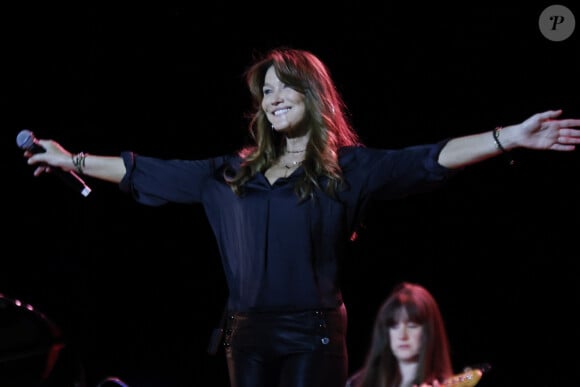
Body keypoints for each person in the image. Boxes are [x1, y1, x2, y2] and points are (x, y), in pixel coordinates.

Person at [20, 46, 580, 387]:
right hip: (247, 337)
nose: (273, 97)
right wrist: (70, 159)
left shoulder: (349, 171)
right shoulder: (228, 174)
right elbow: (147, 171)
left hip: (313, 336)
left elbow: (429, 158)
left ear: (314, 96)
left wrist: (510, 137)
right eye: (266, 91)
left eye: (285, 86)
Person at [345, 282, 484, 387]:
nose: (402, 335)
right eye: (394, 326)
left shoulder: (444, 383)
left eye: (412, 326)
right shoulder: (359, 382)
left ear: (429, 332)